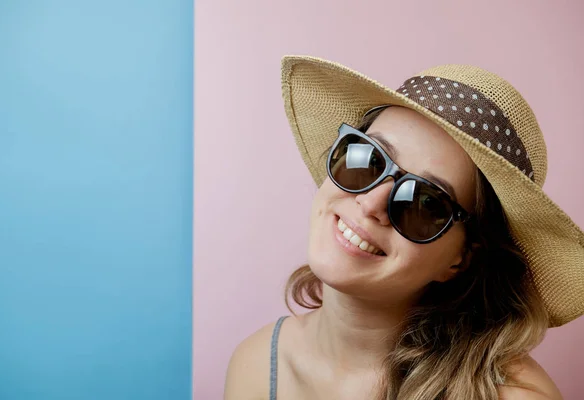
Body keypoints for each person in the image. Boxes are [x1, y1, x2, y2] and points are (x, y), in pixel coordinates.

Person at [224, 56, 584, 400]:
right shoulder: (255, 365)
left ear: (460, 259)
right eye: (366, 157)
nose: (371, 203)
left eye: (425, 202)